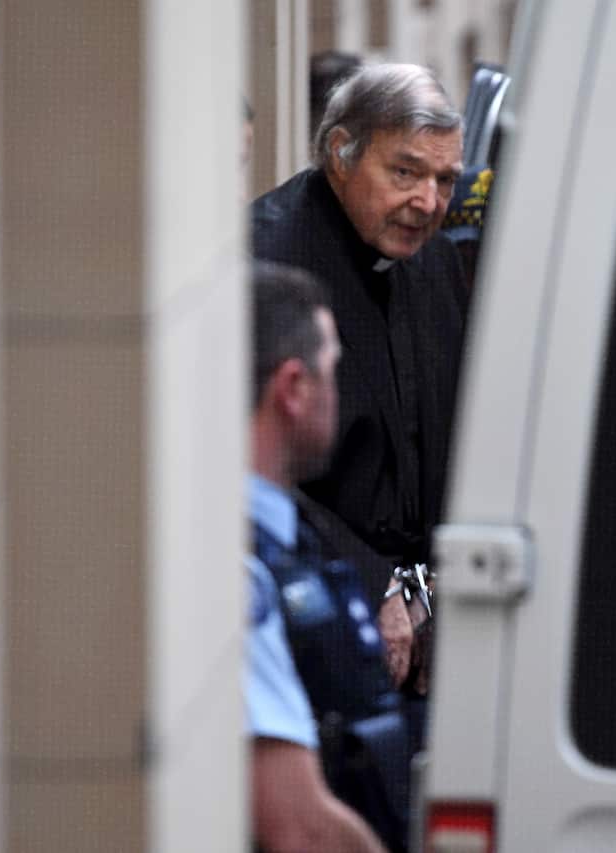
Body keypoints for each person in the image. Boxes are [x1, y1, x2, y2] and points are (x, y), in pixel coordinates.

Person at [250, 63, 467, 666]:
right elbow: (245, 463)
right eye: (405, 172)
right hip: (312, 608)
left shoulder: (436, 261)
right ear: (342, 153)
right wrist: (375, 581)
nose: (427, 202)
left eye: (445, 180)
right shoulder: (265, 264)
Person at [246, 261, 417, 853]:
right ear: (293, 389)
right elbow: (300, 828)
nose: (337, 397)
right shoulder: (242, 570)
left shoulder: (287, 531)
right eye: (331, 372)